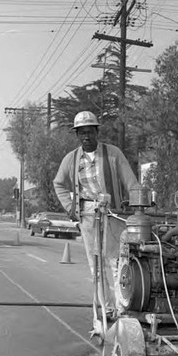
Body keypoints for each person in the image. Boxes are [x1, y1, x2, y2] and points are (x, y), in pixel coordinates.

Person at [53, 111, 141, 331]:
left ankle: (123, 307)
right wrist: (70, 208)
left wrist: (139, 204)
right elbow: (59, 184)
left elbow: (131, 181)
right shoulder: (72, 159)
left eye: (90, 131)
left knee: (116, 262)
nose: (86, 136)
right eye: (82, 133)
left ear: (96, 132)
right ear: (77, 135)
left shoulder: (112, 154)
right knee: (97, 266)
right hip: (88, 214)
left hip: (112, 213)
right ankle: (107, 307)